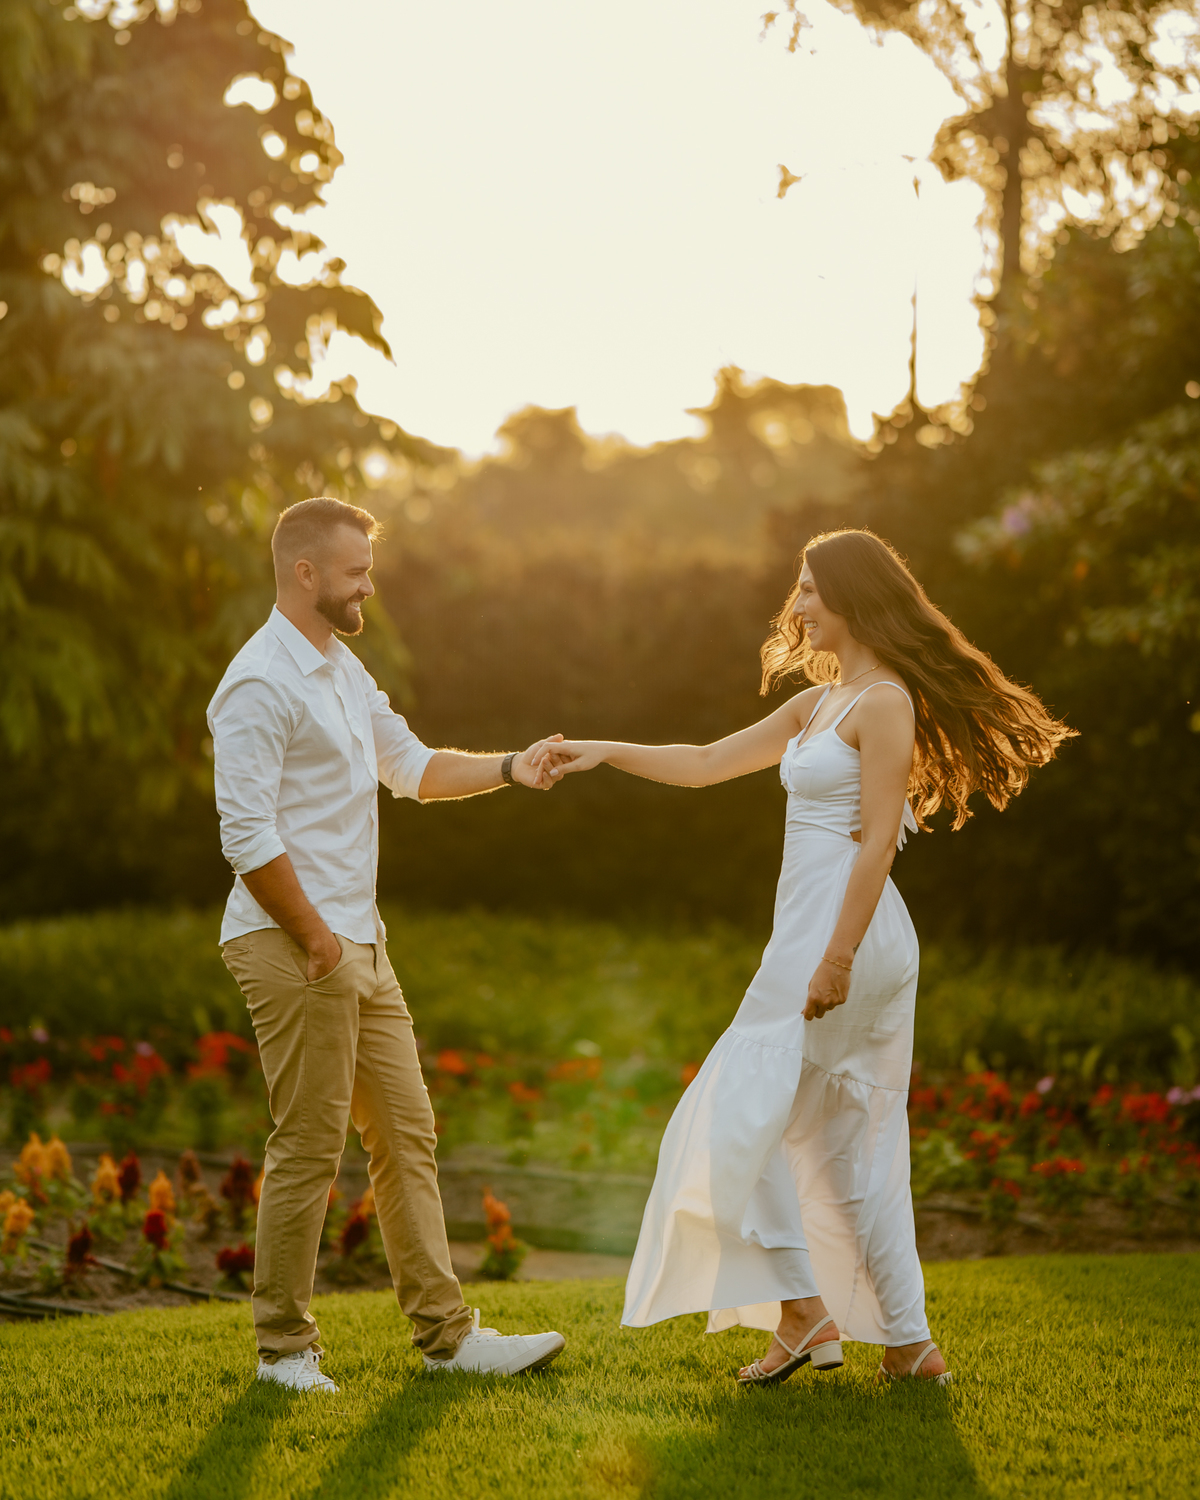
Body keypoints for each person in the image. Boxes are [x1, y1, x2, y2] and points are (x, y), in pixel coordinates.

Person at [543, 528, 1073, 1386]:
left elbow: (875, 848)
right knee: (832, 1147)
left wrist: (835, 960)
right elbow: (710, 761)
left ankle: (807, 1312)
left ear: (854, 596)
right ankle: (903, 1344)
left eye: (809, 590)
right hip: (809, 936)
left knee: (738, 1118)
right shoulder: (822, 703)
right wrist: (604, 750)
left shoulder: (884, 702)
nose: (796, 607)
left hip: (846, 936)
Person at [209, 496, 567, 1392]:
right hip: (294, 943)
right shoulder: (258, 683)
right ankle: (283, 1351)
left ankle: (448, 1339)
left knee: (408, 1134)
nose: (370, 583)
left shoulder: (339, 667)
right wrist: (317, 941)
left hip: (357, 943)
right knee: (310, 1144)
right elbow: (245, 835)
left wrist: (512, 768)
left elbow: (408, 767)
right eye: (357, 570)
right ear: (306, 574)